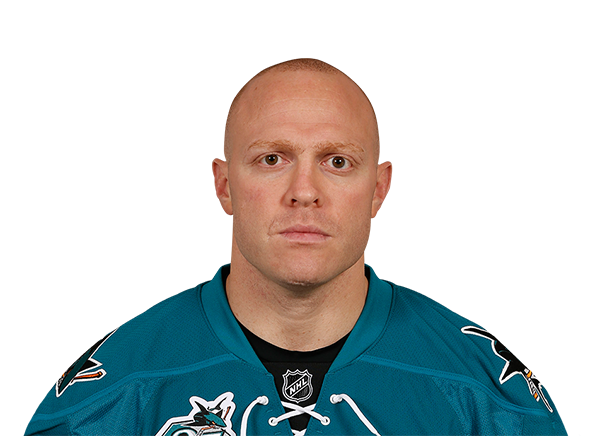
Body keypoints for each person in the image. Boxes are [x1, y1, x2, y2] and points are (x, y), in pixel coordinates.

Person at [21, 59, 566, 436]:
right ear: (223, 183)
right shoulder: (116, 390)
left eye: (337, 161)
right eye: (272, 159)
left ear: (379, 188)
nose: (304, 191)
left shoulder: (481, 391)